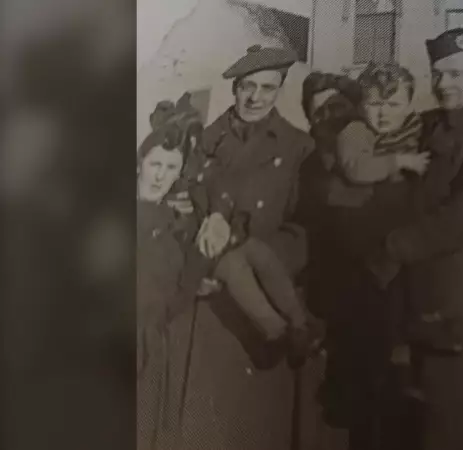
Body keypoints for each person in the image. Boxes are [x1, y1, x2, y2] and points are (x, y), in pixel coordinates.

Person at [366, 28, 463, 450]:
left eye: (456, 74)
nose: (444, 84)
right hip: (421, 308)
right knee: (429, 426)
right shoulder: (429, 126)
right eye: (438, 74)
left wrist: (395, 245)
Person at [171, 45, 318, 450]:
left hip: (262, 298)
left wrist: (258, 260)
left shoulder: (298, 147)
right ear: (235, 89)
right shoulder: (202, 143)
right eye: (247, 87)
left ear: (280, 90)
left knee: (254, 427)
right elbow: (176, 209)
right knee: (207, 425)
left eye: (267, 88)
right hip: (207, 299)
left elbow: (305, 230)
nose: (256, 98)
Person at [136, 99, 206, 450]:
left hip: (154, 344)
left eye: (171, 166)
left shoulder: (174, 223)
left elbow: (181, 287)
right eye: (155, 164)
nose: (161, 174)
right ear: (140, 164)